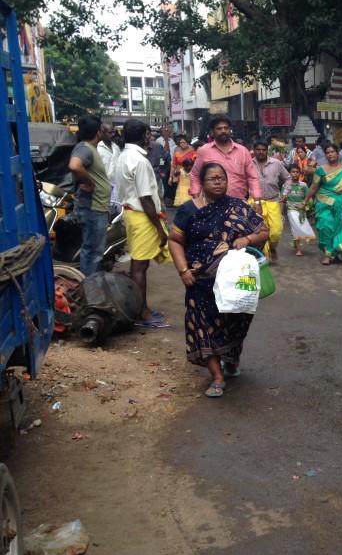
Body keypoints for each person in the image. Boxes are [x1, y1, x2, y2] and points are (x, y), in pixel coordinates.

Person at [168, 163, 269, 398]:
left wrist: (248, 239)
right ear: (201, 183)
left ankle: (231, 359)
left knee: (236, 322)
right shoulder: (188, 210)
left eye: (222, 178)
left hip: (234, 284)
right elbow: (174, 241)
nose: (218, 182)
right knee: (201, 326)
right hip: (199, 282)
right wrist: (183, 270)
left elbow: (264, 231)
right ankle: (217, 376)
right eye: (212, 178)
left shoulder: (237, 207)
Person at [113, 119, 170, 328]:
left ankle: (139, 308)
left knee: (139, 264)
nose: (150, 137)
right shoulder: (139, 160)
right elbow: (146, 198)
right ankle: (141, 313)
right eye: (148, 134)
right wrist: (158, 227)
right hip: (141, 216)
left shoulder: (124, 156)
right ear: (145, 135)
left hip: (132, 214)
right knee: (140, 266)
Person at [189, 115, 263, 215]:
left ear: (230, 130)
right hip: (211, 205)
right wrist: (196, 197)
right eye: (219, 129)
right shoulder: (204, 151)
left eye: (226, 128)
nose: (223, 131)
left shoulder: (242, 151)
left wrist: (257, 201)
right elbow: (195, 175)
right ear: (212, 132)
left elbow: (253, 177)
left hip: (238, 205)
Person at [68, 116, 109, 277]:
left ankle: (91, 285)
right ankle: (89, 290)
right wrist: (90, 183)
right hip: (93, 208)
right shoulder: (84, 148)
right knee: (93, 251)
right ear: (98, 132)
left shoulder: (89, 148)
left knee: (94, 250)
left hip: (97, 207)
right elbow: (74, 166)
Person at [303, 142, 342, 265]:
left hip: (341, 203)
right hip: (323, 202)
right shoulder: (320, 170)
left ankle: (333, 254)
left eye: (332, 152)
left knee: (338, 228)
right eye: (328, 152)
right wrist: (305, 201)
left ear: (337, 153)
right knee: (325, 226)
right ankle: (327, 253)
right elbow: (314, 187)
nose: (330, 154)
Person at [251, 140, 290, 262]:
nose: (261, 152)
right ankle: (261, 256)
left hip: (273, 201)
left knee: (275, 232)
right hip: (254, 202)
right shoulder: (248, 164)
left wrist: (285, 193)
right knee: (257, 230)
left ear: (267, 150)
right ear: (254, 150)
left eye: (263, 149)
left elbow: (288, 178)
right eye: (258, 149)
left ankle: (272, 248)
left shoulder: (277, 163)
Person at [281, 166, 315, 256]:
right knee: (296, 227)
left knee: (298, 226)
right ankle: (299, 250)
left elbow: (308, 198)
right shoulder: (286, 185)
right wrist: (281, 213)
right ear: (290, 173)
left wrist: (306, 206)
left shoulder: (303, 185)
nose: (295, 174)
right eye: (293, 172)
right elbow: (282, 200)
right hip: (291, 209)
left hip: (301, 210)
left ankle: (296, 244)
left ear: (300, 174)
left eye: (297, 172)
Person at [170, 135, 197, 207]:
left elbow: (196, 164)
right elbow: (173, 165)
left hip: (190, 174)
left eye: (184, 142)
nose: (182, 144)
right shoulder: (177, 153)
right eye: (180, 143)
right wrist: (171, 177)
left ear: (187, 142)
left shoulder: (193, 152)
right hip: (180, 174)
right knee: (180, 190)